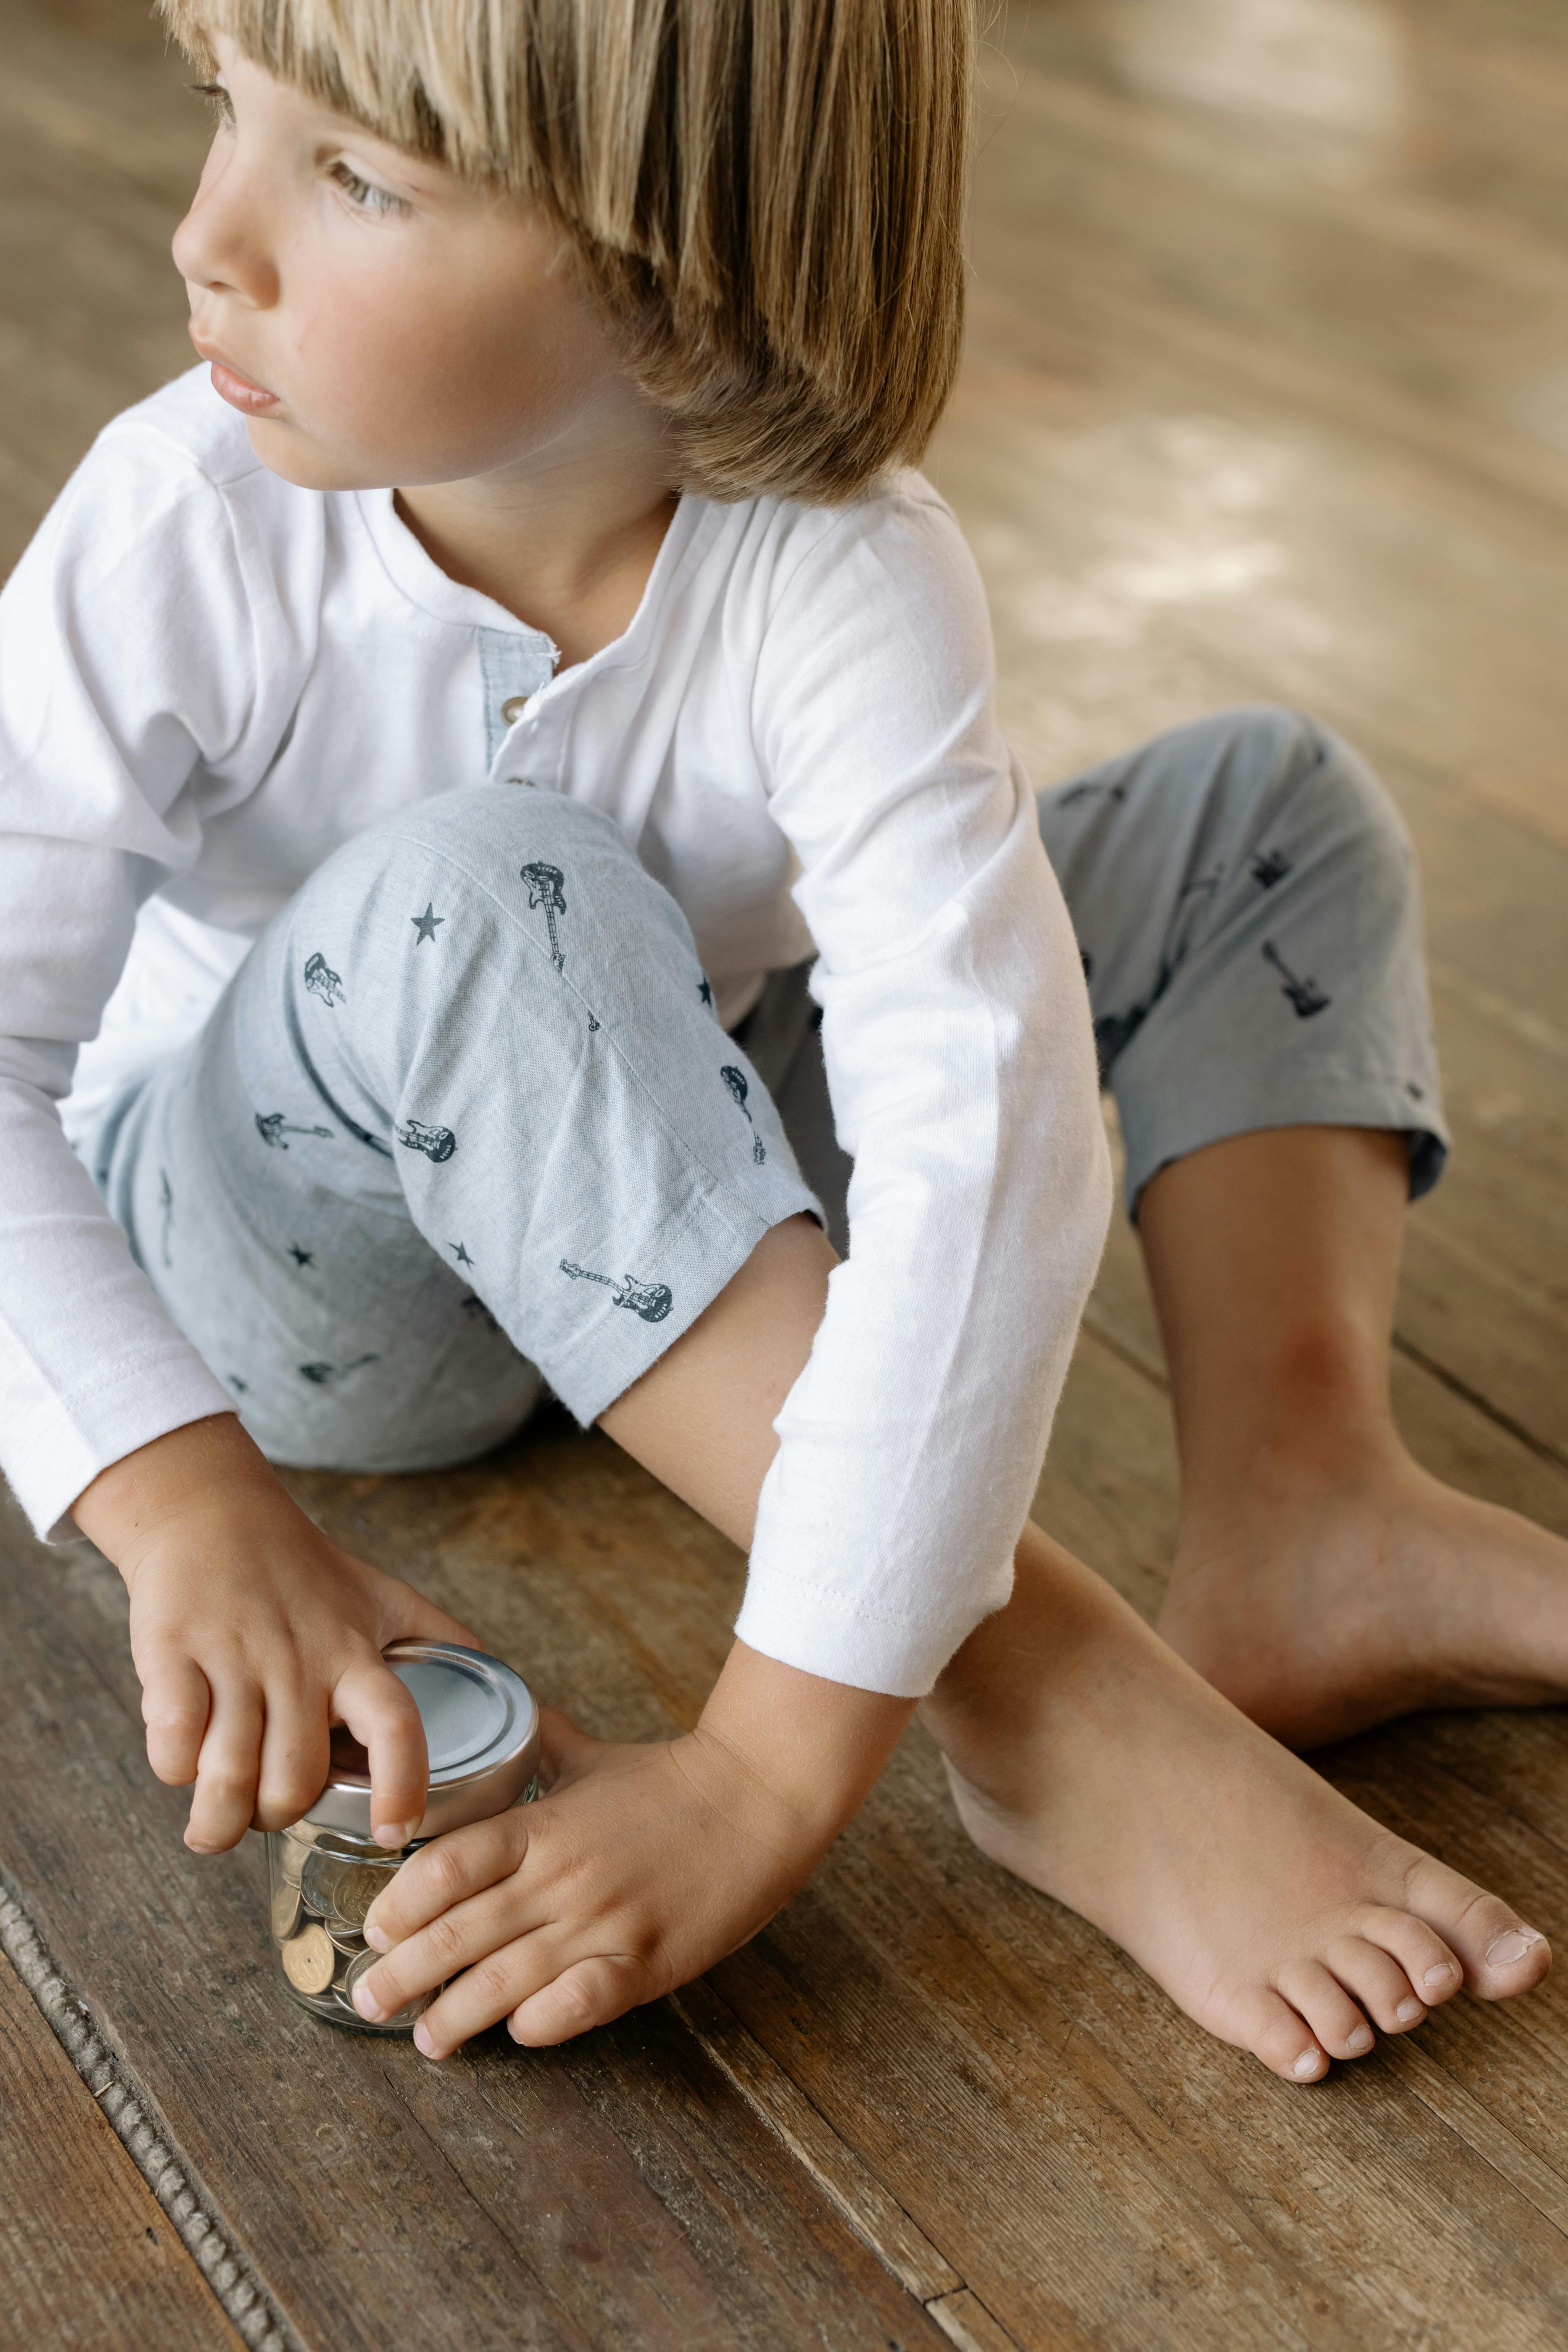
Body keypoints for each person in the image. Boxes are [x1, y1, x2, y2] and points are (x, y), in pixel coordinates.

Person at [0, 0, 1557, 2087]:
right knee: (487, 880)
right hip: (294, 1267)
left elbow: (980, 1131)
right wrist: (179, 1495)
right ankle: (1050, 1703)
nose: (211, 239)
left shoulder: (843, 565)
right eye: (227, 114)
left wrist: (757, 1773)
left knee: (1256, 810)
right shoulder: (185, 521)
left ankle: (1304, 1499)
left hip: (679, 1121)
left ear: (674, 270)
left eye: (353, 176)